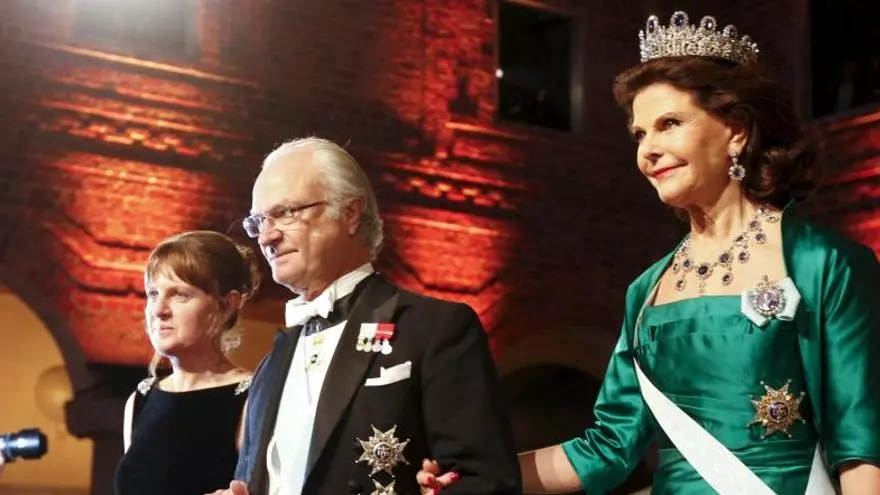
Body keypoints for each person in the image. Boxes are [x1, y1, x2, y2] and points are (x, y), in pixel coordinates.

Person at [419, 11, 880, 494]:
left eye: (670, 124)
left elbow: (861, 444)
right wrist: (475, 478)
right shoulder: (647, 290)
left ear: (737, 130)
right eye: (640, 134)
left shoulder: (823, 264)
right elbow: (606, 449)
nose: (648, 151)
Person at [210, 137, 520, 495]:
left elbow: (487, 482)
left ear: (350, 213)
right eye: (258, 221)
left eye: (285, 213)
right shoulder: (271, 364)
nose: (266, 237)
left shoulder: (434, 329)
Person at [114, 230, 261, 495]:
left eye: (180, 295)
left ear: (226, 305)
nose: (159, 310)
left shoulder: (252, 398)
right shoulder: (141, 399)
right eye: (153, 294)